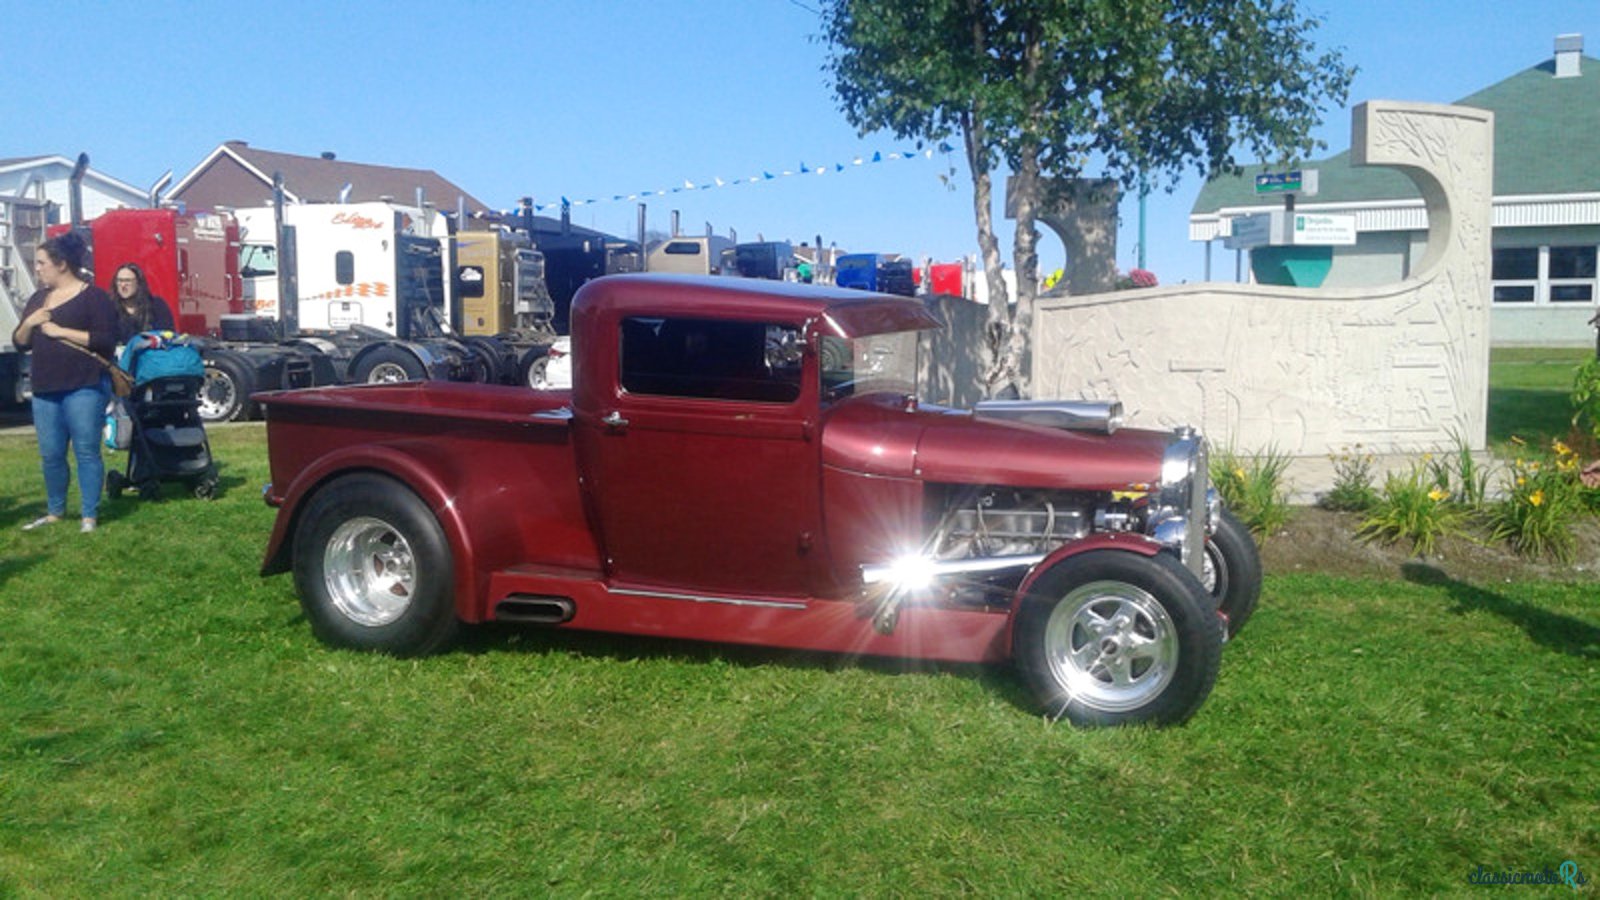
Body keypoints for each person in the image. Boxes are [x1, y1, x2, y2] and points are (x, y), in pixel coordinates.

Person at [11, 231, 119, 533]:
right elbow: (20, 342)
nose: (37, 268)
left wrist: (61, 332)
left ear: (61, 264)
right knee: (51, 454)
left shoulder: (94, 297)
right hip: (45, 389)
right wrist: (29, 324)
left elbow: (106, 341)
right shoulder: (37, 299)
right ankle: (55, 512)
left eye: (42, 262)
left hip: (84, 385)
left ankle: (89, 516)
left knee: (86, 450)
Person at [111, 262, 175, 344]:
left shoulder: (156, 306)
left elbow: (167, 335)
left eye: (127, 281)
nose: (123, 285)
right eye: (119, 281)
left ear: (138, 283)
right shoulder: (109, 307)